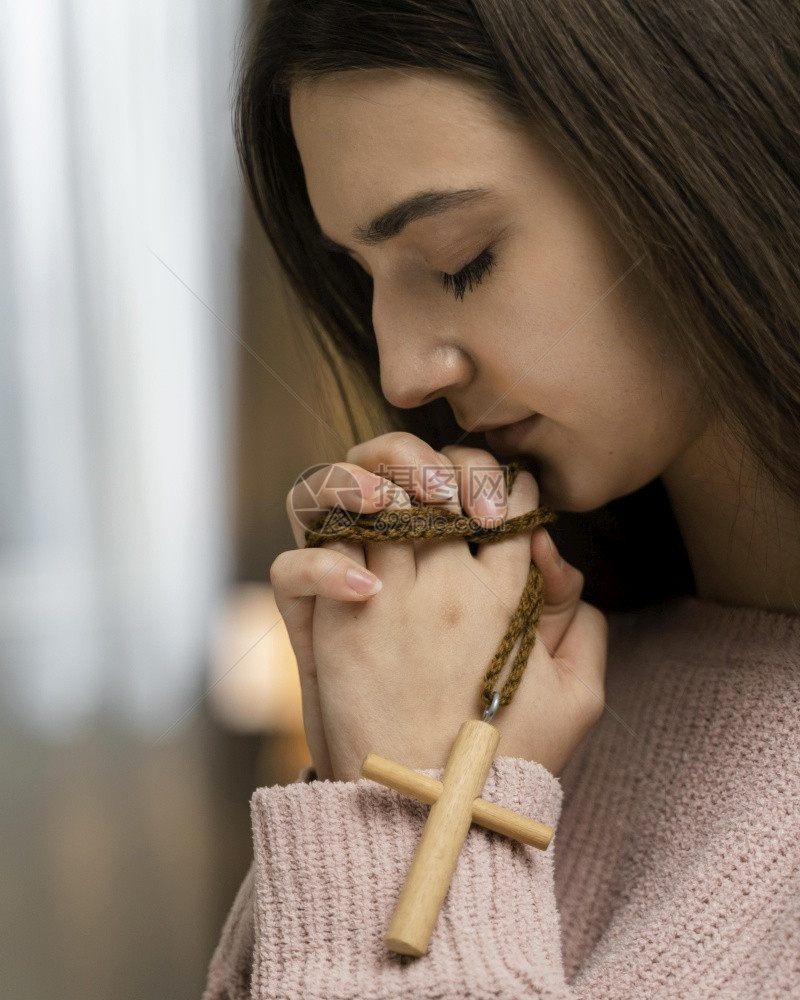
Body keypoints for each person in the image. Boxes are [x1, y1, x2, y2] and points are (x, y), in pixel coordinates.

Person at [203, 1, 800, 996]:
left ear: (693, 157)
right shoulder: (545, 685)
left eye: (455, 260)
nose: (400, 374)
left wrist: (407, 810)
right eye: (363, 281)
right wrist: (371, 751)